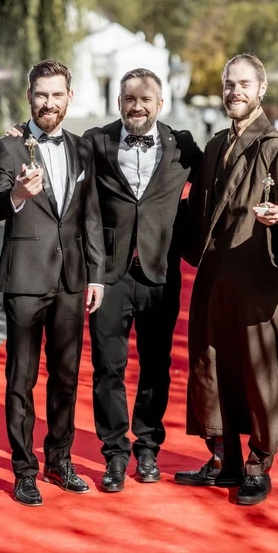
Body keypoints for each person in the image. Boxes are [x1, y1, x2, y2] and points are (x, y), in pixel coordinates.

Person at [174, 53, 278, 505]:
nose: (235, 91)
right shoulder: (218, 144)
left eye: (244, 84)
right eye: (228, 84)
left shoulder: (276, 147)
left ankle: (259, 465)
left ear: (261, 90)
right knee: (211, 369)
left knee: (260, 374)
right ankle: (224, 462)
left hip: (260, 282)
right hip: (217, 277)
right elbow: (196, 209)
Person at [0, 60, 105, 507]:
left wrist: (97, 276)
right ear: (30, 95)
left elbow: (91, 215)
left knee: (67, 376)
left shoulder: (83, 149)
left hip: (72, 280)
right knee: (21, 377)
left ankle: (59, 458)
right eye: (41, 94)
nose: (49, 102)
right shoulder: (6, 147)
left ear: (69, 97)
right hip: (24, 278)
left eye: (57, 94)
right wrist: (17, 193)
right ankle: (24, 470)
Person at [83, 68, 202, 492]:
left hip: (160, 272)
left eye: (145, 99)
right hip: (108, 274)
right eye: (129, 98)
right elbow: (48, 151)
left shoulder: (183, 145)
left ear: (160, 103)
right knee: (107, 368)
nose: (137, 106)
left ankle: (148, 447)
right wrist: (19, 134)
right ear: (119, 103)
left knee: (156, 366)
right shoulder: (96, 141)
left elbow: (219, 181)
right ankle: (114, 455)